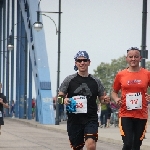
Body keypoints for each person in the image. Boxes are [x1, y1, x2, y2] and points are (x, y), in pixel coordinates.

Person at [58, 51, 110, 150]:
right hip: (74, 120)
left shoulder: (96, 81)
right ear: (76, 63)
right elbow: (59, 98)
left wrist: (105, 100)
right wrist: (64, 100)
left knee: (91, 145)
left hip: (90, 119)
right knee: (77, 148)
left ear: (89, 62)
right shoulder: (69, 80)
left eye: (84, 60)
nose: (82, 63)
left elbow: (102, 99)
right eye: (79, 60)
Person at [111, 47, 150, 150]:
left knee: (136, 145)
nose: (133, 59)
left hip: (141, 115)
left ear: (140, 58)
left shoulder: (147, 74)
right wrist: (116, 99)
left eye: (136, 57)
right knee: (128, 143)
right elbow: (114, 92)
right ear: (126, 58)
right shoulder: (121, 74)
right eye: (131, 57)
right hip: (125, 113)